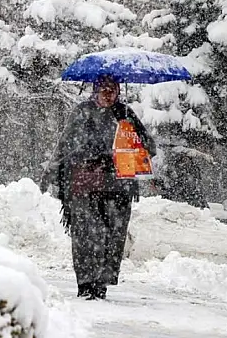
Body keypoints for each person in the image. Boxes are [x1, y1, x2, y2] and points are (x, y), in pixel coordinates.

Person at [41, 75, 156, 300]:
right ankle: (85, 284)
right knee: (86, 234)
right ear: (95, 90)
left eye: (112, 90)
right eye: (103, 89)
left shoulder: (125, 114)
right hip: (83, 186)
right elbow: (66, 145)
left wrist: (128, 148)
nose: (107, 94)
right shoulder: (81, 112)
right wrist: (55, 170)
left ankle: (101, 285)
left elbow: (148, 146)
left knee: (112, 237)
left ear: (118, 91)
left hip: (118, 188)